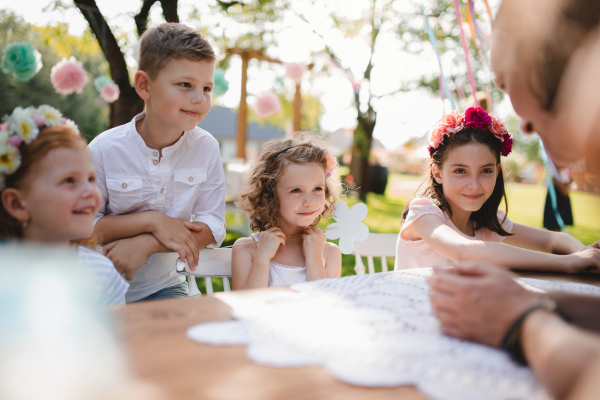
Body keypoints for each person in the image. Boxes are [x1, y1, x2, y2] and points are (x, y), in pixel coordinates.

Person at [429, 0, 600, 397]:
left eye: (507, 81)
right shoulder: (429, 215)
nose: (522, 123)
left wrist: (523, 321)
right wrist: (560, 301)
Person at [88, 23, 226, 303]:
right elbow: (82, 226)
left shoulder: (206, 147)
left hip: (163, 286)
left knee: (175, 342)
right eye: (185, 85)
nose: (199, 98)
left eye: (207, 88)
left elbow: (213, 224)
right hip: (95, 289)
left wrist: (148, 243)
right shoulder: (103, 150)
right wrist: (153, 221)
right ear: (144, 85)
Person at [395, 106, 600, 273]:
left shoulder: (487, 223)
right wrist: (567, 263)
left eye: (485, 171)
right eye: (460, 171)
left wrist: (586, 254)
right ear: (437, 173)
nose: (474, 184)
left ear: (497, 171)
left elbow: (554, 239)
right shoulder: (423, 213)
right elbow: (465, 251)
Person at [0, 104, 128, 307]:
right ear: (17, 204)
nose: (90, 192)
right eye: (69, 180)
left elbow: (114, 338)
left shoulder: (102, 274)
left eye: (91, 178)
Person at [231, 135, 342, 289]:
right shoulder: (247, 249)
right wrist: (262, 258)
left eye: (318, 188)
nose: (309, 201)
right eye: (296, 190)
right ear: (270, 195)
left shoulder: (329, 253)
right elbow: (246, 306)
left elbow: (324, 307)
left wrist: (314, 259)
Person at [543, 165, 573, 232]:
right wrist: (569, 185)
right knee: (554, 228)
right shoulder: (556, 174)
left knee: (554, 229)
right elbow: (565, 192)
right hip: (557, 204)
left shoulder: (561, 172)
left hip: (559, 203)